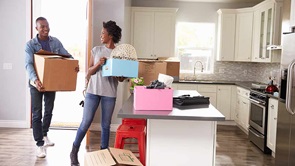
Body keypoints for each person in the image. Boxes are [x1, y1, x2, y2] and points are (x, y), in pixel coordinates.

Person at [70, 20, 124, 166]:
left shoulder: (119, 53)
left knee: (106, 125)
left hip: (109, 93)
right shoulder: (96, 50)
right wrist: (99, 64)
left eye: (103, 33)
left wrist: (118, 73)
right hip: (92, 92)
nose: (101, 35)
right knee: (86, 122)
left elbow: (121, 79)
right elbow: (88, 73)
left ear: (110, 35)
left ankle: (103, 155)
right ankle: (74, 151)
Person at [25, 17, 74, 158]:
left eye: (47, 26)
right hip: (36, 84)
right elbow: (28, 64)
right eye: (42, 27)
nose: (46, 29)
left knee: (49, 110)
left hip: (51, 82)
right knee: (37, 113)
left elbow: (67, 55)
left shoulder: (55, 42)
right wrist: (35, 80)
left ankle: (45, 134)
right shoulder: (30, 45)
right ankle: (40, 145)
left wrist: (73, 65)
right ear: (37, 28)